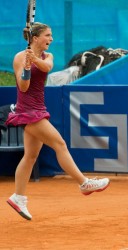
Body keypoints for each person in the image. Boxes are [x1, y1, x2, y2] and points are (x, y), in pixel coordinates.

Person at [5, 22, 110, 221]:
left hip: (39, 108)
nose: (51, 39)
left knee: (30, 156)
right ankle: (83, 183)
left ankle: (18, 197)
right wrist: (27, 67)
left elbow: (47, 67)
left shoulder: (47, 56)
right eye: (47, 35)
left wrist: (34, 59)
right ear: (35, 38)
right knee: (59, 144)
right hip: (28, 111)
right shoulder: (20, 57)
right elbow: (24, 86)